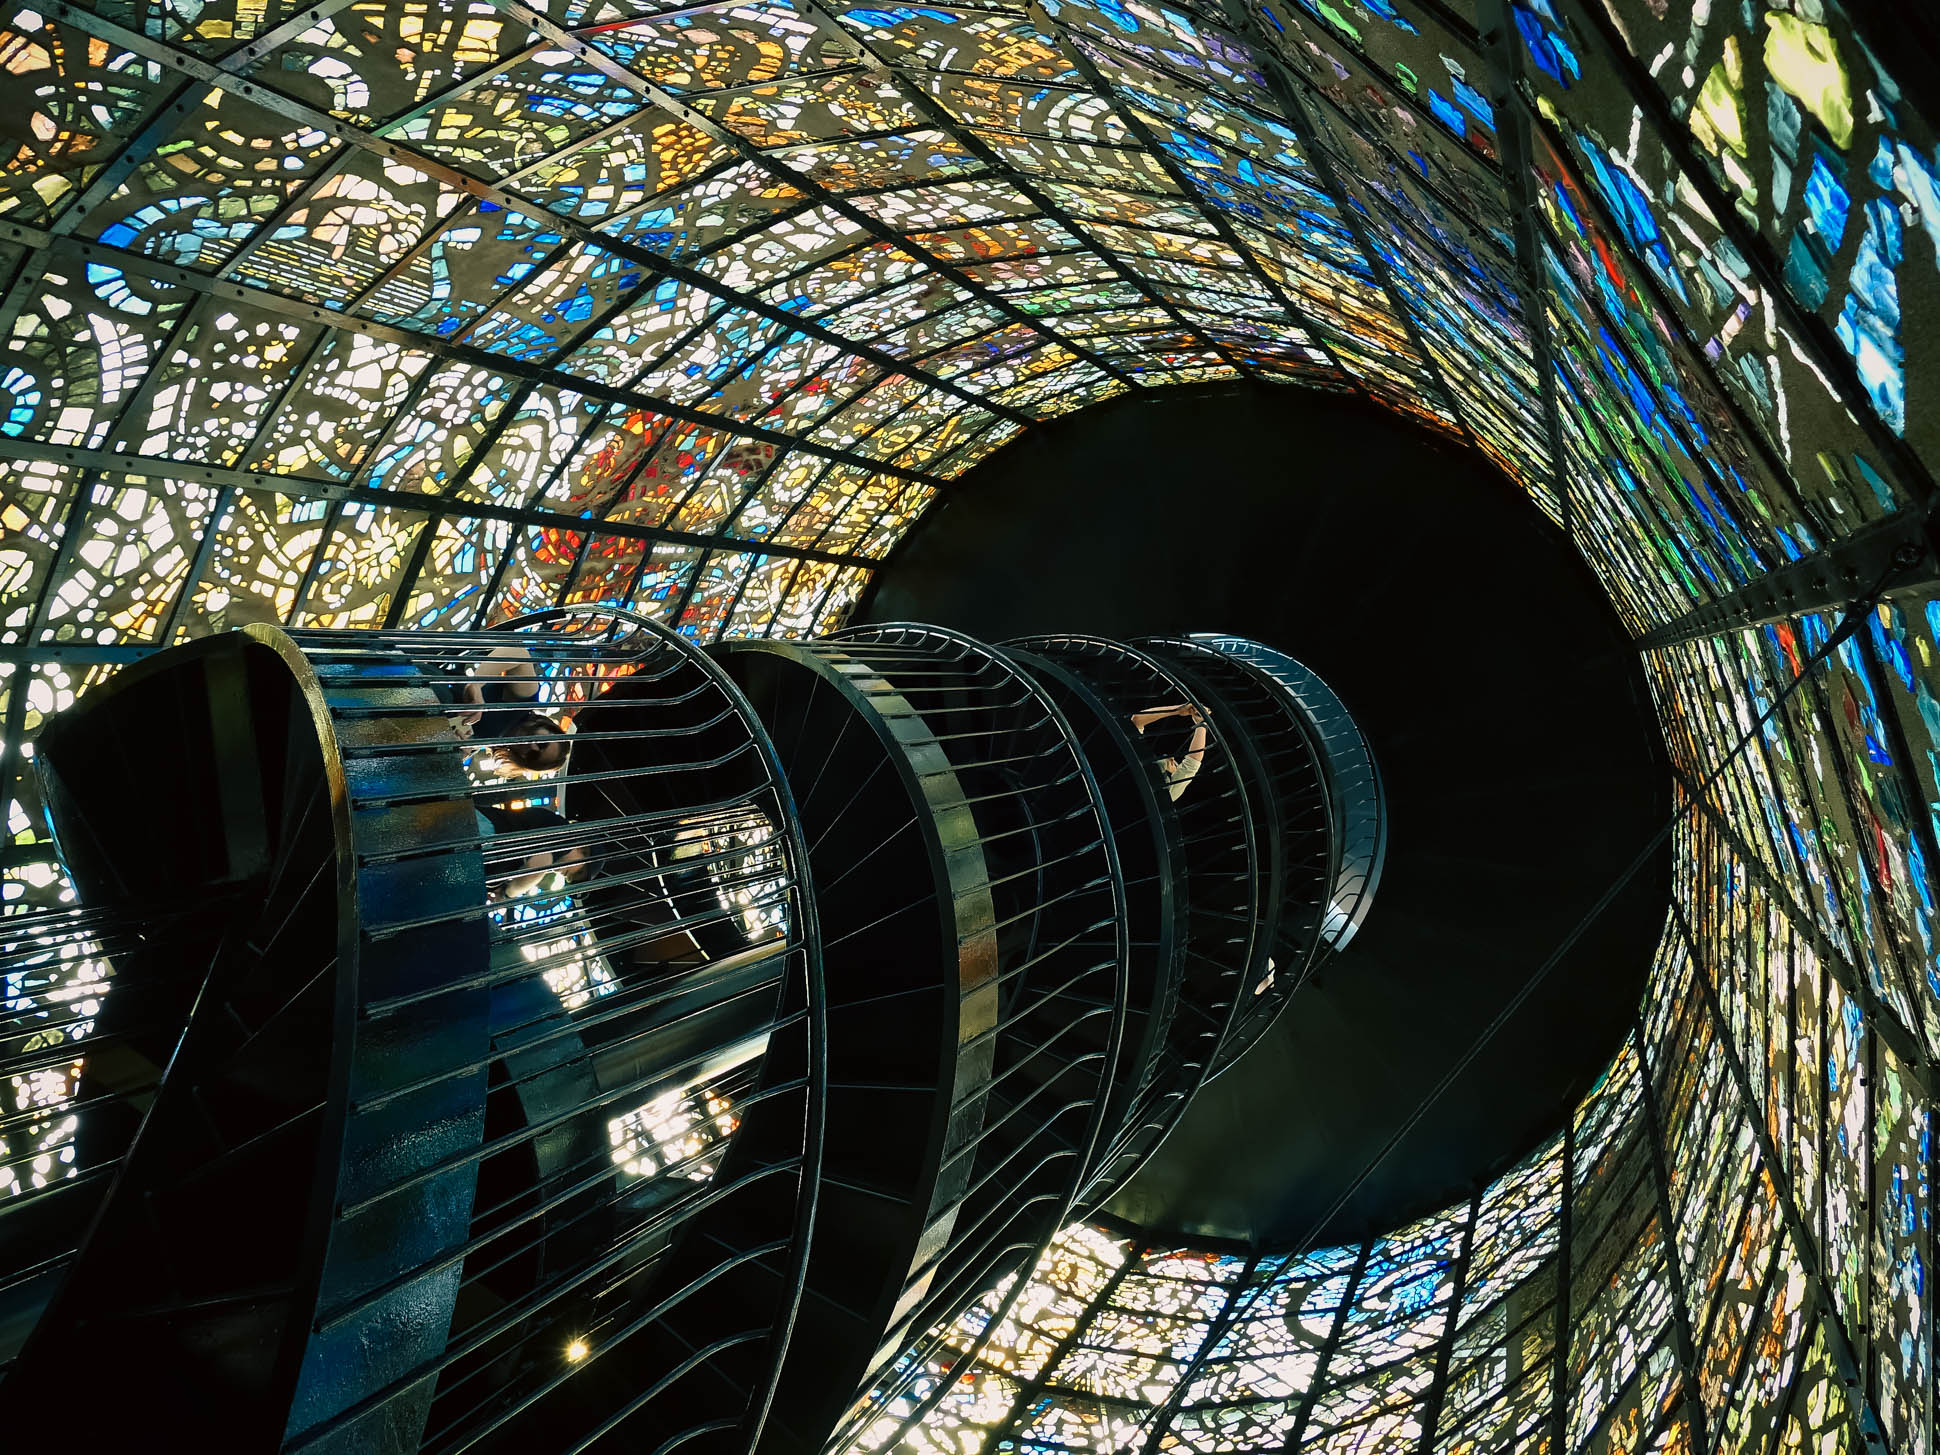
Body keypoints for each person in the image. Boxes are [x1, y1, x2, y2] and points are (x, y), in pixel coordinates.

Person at [1129, 702, 1208, 801]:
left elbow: (1192, 764)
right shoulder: (1139, 760)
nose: (1172, 759)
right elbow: (1136, 721)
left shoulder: (1167, 793)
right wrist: (1179, 710)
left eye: (1175, 764)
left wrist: (1201, 724)